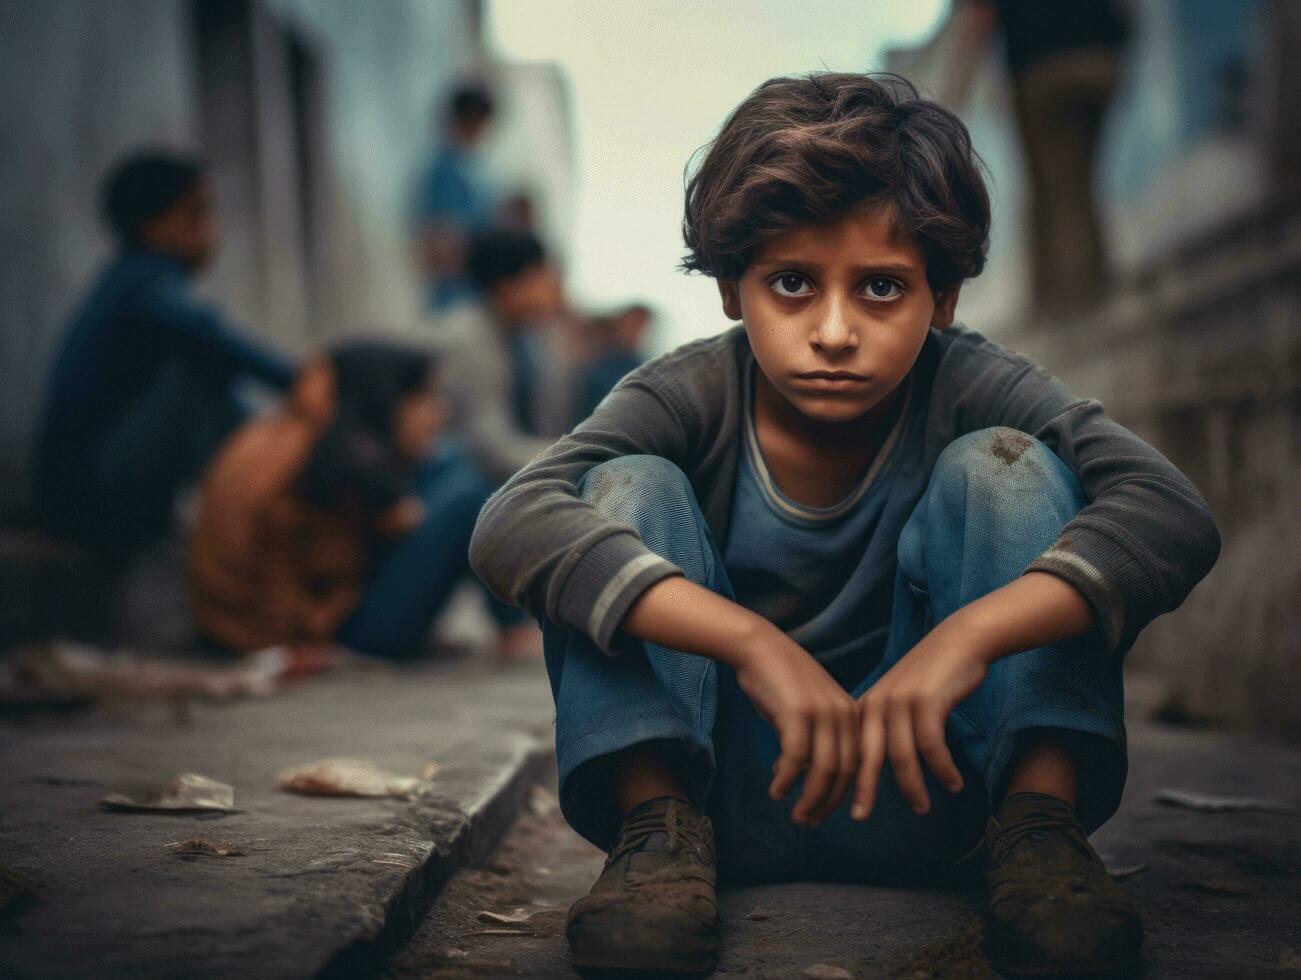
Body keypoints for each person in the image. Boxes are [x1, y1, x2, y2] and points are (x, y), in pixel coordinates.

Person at [468, 74, 1220, 975]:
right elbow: (512, 519)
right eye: (790, 283)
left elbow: (1169, 510)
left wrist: (970, 638)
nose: (833, 330)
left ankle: (1040, 829)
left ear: (940, 298)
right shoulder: (690, 391)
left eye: (880, 288)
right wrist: (749, 642)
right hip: (722, 807)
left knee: (1007, 466)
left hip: (940, 798)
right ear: (729, 291)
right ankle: (652, 835)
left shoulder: (970, 381)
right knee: (624, 485)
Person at [187, 340, 537, 661]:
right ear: (386, 401)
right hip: (311, 634)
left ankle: (514, 625)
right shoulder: (309, 465)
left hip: (313, 617)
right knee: (470, 498)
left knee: (453, 465)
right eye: (425, 399)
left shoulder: (312, 435)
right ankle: (516, 631)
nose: (439, 413)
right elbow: (281, 602)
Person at [35, 150, 293, 560]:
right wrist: (313, 381)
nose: (210, 230)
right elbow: (218, 341)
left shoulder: (131, 281)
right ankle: (272, 518)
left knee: (204, 376)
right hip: (88, 502)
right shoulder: (142, 284)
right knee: (196, 378)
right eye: (195, 214)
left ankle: (270, 506)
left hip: (96, 489)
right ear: (152, 226)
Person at [944, 0, 1130, 316]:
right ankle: (1096, 284)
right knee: (1080, 181)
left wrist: (952, 95)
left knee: (1055, 189)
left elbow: (979, 17)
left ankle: (1070, 301)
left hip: (1041, 69)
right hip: (1100, 57)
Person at [435, 228, 565, 484]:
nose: (554, 285)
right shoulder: (467, 339)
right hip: (458, 485)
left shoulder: (525, 338)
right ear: (506, 285)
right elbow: (490, 450)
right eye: (540, 274)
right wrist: (578, 456)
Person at [413, 80, 499, 311]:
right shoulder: (444, 170)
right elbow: (438, 243)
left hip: (475, 295)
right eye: (475, 122)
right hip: (454, 298)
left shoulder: (475, 173)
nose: (480, 131)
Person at [576, 303, 653, 421]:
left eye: (642, 327)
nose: (637, 332)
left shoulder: (641, 364)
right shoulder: (597, 357)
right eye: (632, 325)